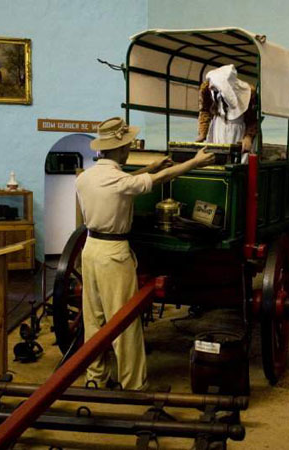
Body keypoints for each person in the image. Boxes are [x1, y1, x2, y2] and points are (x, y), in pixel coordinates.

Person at [76, 116, 215, 390]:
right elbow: (158, 179)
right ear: (120, 148)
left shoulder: (86, 177)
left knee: (94, 320)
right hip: (113, 254)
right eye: (127, 145)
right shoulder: (117, 180)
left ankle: (95, 378)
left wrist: (150, 167)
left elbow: (122, 182)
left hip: (89, 250)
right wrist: (195, 162)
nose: (129, 149)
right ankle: (133, 384)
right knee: (124, 321)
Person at [196, 64, 257, 161]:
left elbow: (252, 119)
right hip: (218, 128)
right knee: (217, 157)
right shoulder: (207, 89)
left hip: (239, 131)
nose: (211, 87)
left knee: (239, 160)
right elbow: (205, 111)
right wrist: (203, 133)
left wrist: (248, 137)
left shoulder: (247, 93)